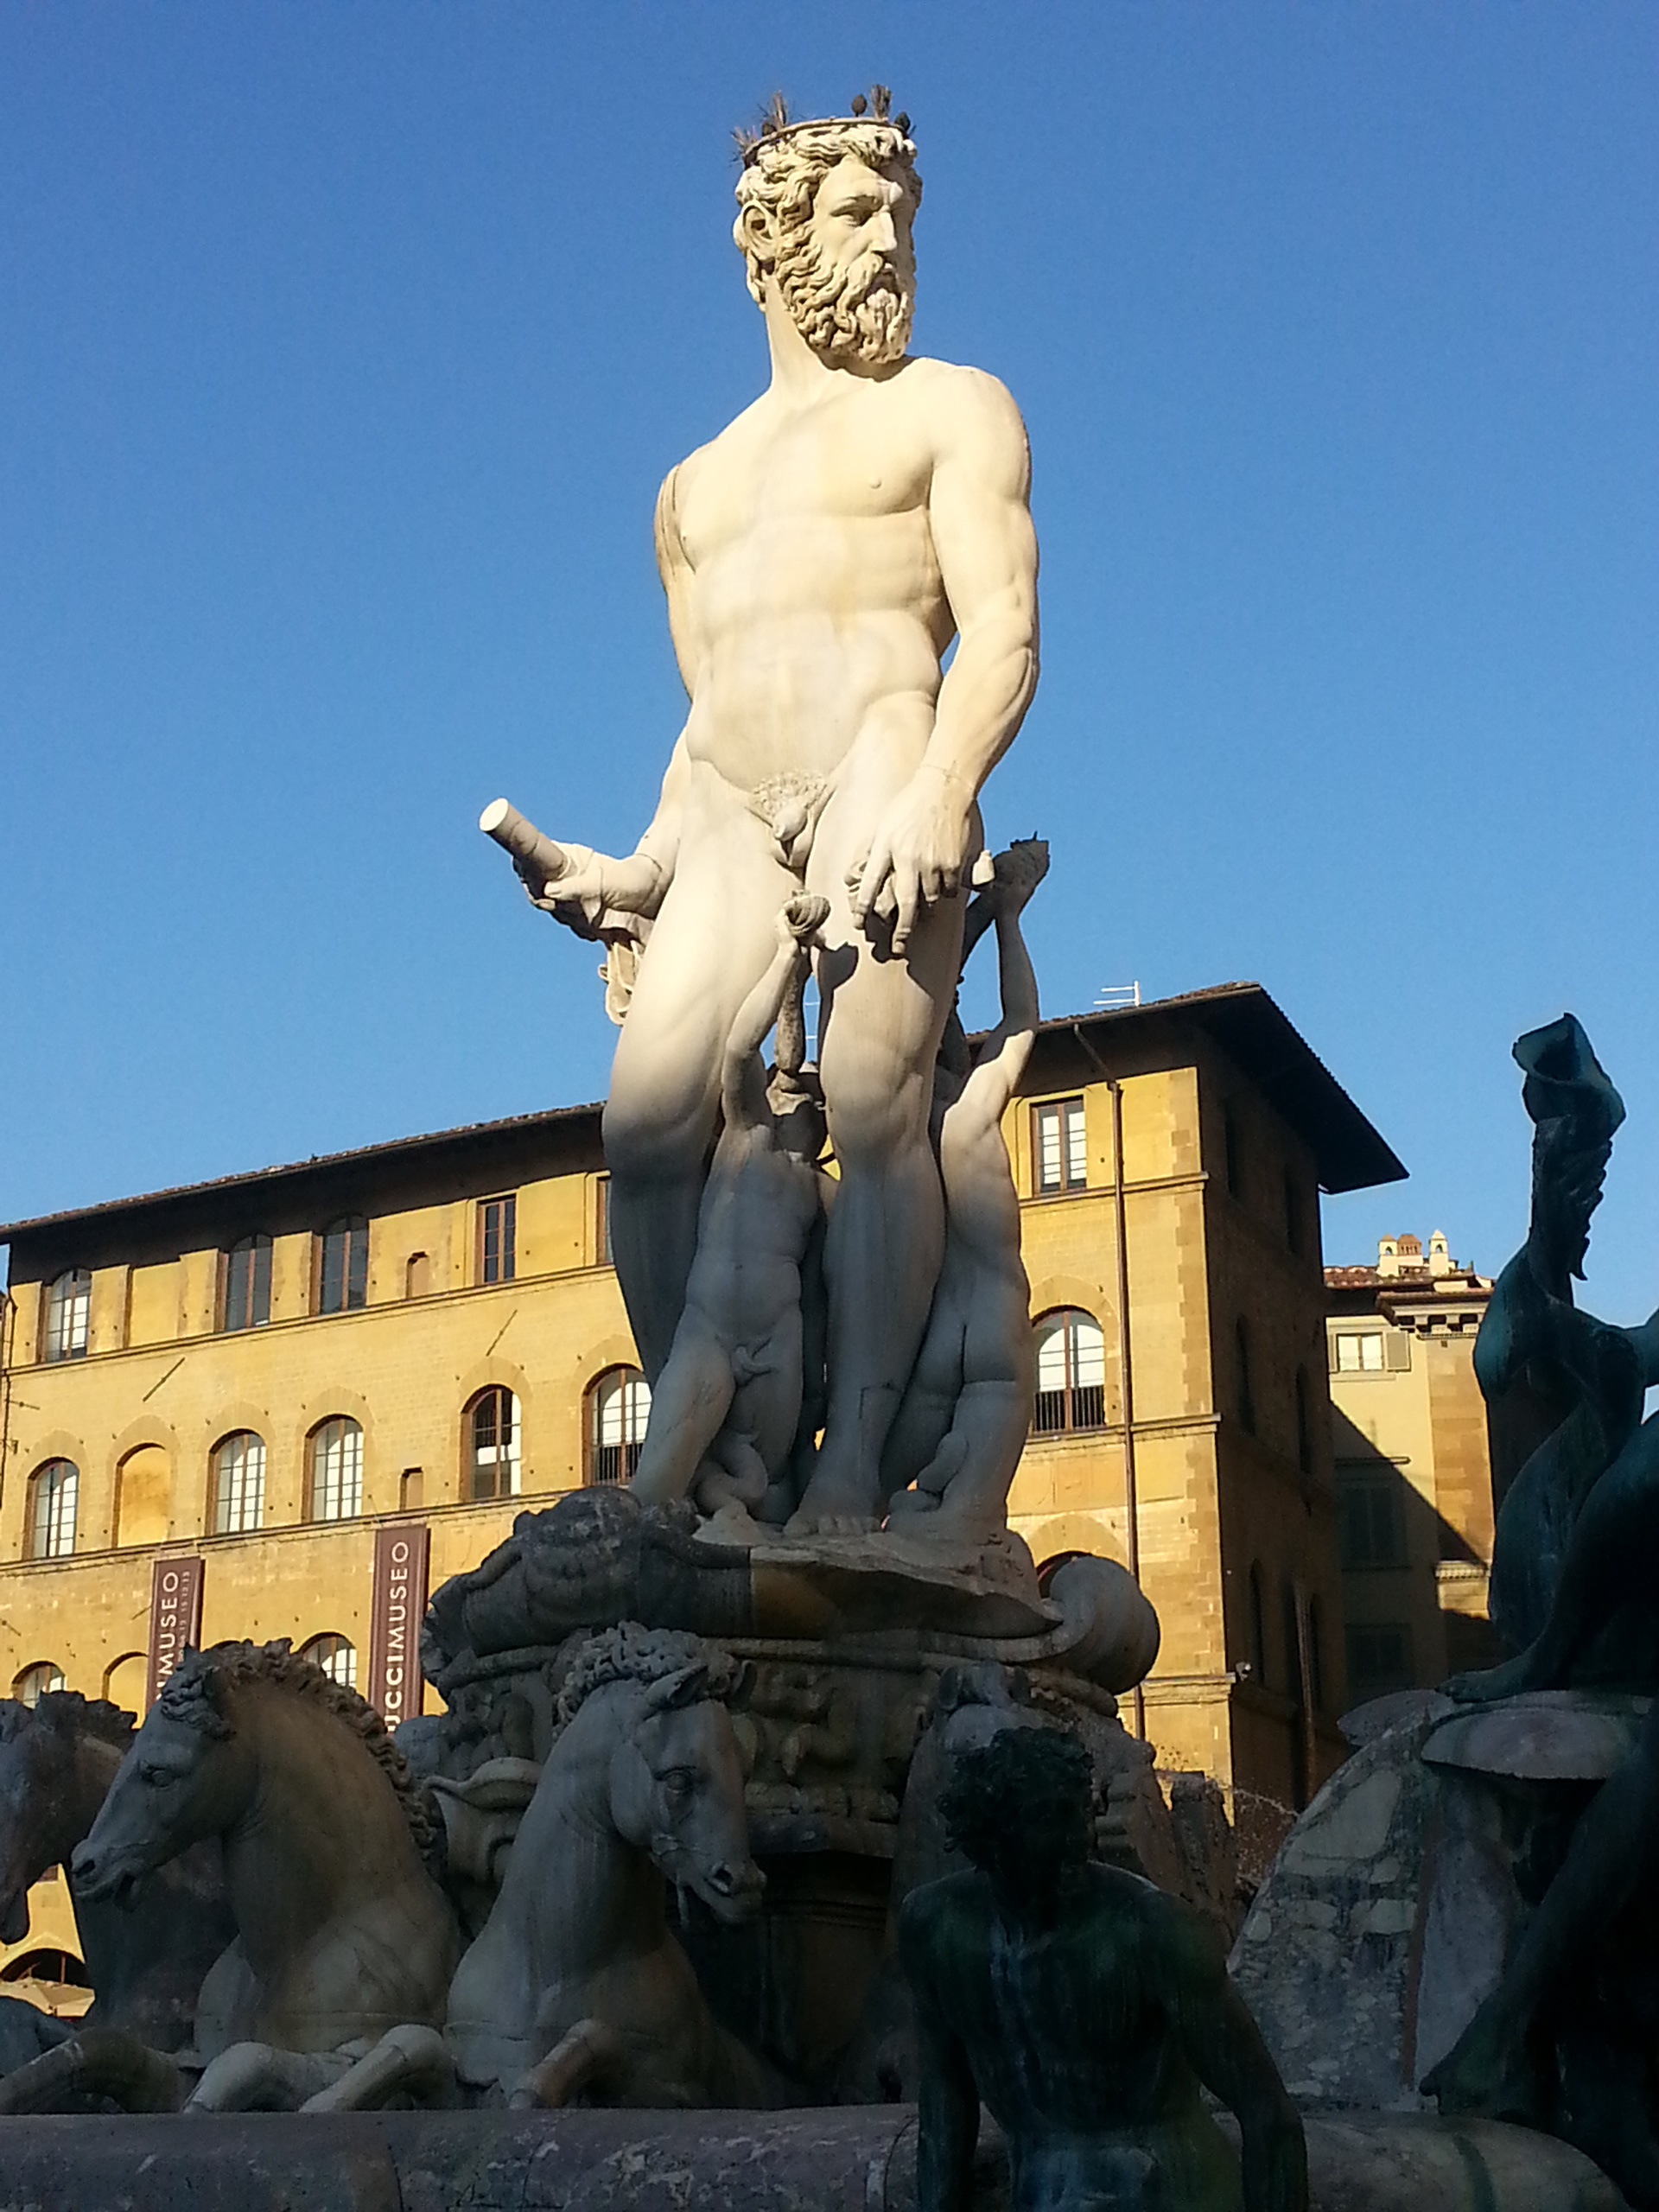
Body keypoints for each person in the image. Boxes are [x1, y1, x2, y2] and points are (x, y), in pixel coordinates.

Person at [524, 92, 1039, 1535]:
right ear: (767, 245)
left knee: (875, 1098)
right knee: (645, 1122)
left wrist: (945, 786)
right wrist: (631, 872)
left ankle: (856, 1476)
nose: (892, 244)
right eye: (857, 216)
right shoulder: (692, 490)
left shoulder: (953, 407)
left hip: (888, 754)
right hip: (735, 808)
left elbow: (1003, 631)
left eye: (903, 219)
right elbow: (708, 718)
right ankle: (726, 1461)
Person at [899, 1728, 1307, 2212]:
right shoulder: (937, 1930)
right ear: (990, 1835)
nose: (1079, 1837)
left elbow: (1269, 2115)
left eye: (1081, 1811)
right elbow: (945, 2096)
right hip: (1044, 2190)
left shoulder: (1151, 1930)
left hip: (1170, 2193)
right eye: (1048, 1818)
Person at [628, 893, 830, 1522]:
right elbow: (743, 1050)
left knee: (765, 1491)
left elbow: (828, 1300)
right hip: (710, 1330)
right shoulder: (748, 1133)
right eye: (792, 1088)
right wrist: (787, 959)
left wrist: (819, 1391)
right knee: (657, 1484)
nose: (799, 1094)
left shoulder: (824, 1192)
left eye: (812, 1096)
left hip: (779, 1341)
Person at [882, 839, 1047, 1547]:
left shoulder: (889, 1142)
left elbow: (934, 998)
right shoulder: (967, 1120)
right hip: (992, 1337)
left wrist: (979, 913)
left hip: (930, 1349)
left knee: (876, 1503)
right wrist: (1007, 917)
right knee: (964, 1530)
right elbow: (1017, 1024)